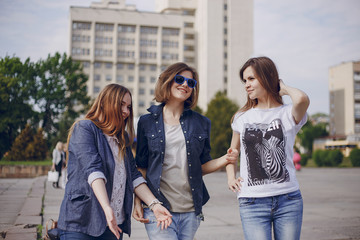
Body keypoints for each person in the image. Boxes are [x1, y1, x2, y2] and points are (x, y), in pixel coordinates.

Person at [132, 62, 238, 240]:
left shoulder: (202, 122)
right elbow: (141, 167)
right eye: (180, 79)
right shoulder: (146, 122)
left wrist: (226, 159)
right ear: (167, 81)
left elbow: (201, 166)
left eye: (191, 83)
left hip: (191, 210)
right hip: (158, 207)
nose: (185, 85)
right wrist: (138, 200)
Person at [57, 84, 172, 240]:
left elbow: (134, 176)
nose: (126, 111)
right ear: (105, 103)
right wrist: (106, 207)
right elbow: (93, 171)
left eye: (129, 107)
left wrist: (155, 204)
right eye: (121, 104)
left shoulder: (122, 138)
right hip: (81, 223)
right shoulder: (85, 128)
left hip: (114, 225)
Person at [226, 56, 310, 240]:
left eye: (251, 79)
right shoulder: (242, 117)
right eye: (245, 81)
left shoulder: (288, 113)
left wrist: (284, 88)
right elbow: (232, 154)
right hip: (252, 201)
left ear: (266, 78)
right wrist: (231, 177)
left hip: (288, 199)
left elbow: (302, 99)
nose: (246, 85)